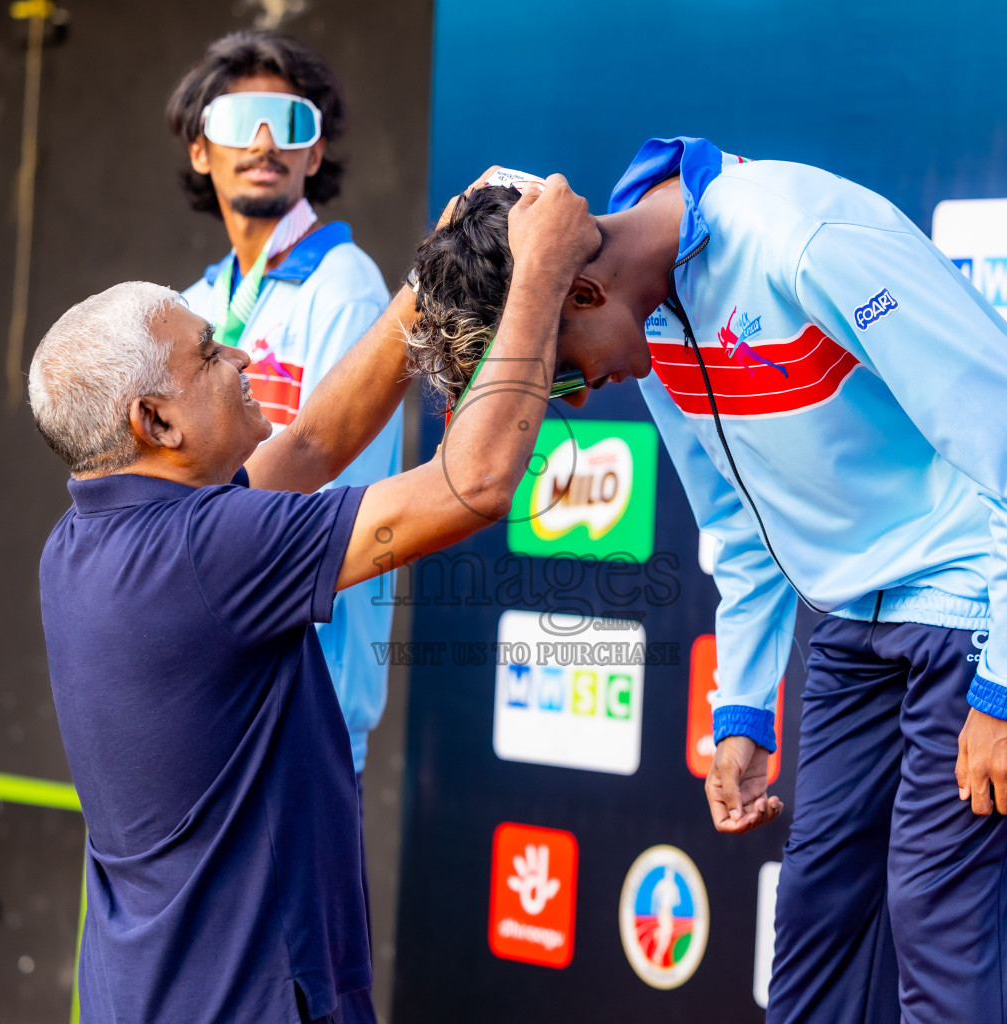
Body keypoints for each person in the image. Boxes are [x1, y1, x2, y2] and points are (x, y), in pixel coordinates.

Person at [408, 137, 1007, 1024]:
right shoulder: (642, 309)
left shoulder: (802, 239)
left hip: (983, 587)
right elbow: (741, 520)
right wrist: (741, 708)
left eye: (567, 375)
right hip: (852, 609)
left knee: (944, 930)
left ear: (579, 291)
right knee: (816, 930)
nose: (583, 398)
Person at [29, 177, 597, 1024]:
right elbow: (473, 484)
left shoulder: (85, 543)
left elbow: (314, 441)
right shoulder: (207, 552)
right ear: (157, 421)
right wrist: (543, 270)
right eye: (211, 355)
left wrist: (431, 277)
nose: (243, 359)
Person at [166, 30, 401, 784]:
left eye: (290, 121)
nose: (265, 140)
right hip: (209, 693)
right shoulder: (191, 306)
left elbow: (331, 512)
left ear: (316, 150)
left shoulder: (347, 286)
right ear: (201, 149)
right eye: (239, 121)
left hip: (306, 702)